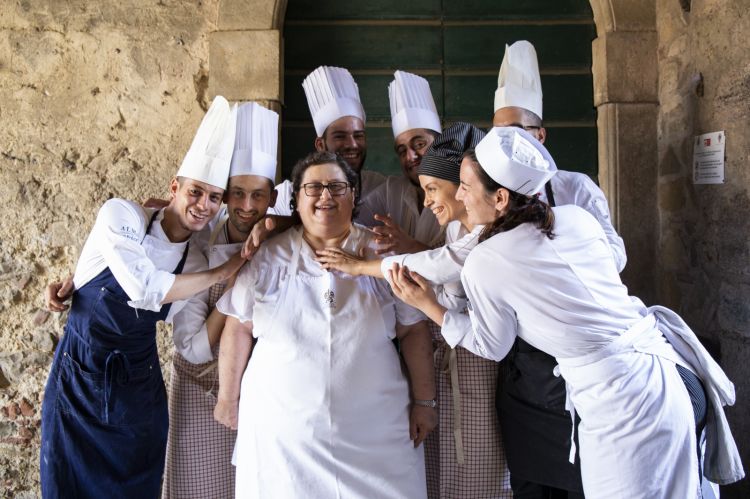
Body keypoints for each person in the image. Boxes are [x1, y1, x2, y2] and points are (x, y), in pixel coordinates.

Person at [390, 126, 745, 498]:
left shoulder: (487, 259)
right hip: (673, 374)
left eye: (465, 185)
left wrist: (426, 304)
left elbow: (491, 345)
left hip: (627, 402)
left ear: (500, 198)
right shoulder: (576, 217)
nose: (459, 194)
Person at [39, 97, 245, 498]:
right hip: (79, 382)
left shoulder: (196, 260)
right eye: (196, 192)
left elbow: (193, 346)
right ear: (175, 187)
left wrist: (233, 294)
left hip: (138, 396)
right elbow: (142, 287)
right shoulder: (121, 215)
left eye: (214, 198)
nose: (203, 205)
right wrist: (221, 273)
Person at [213, 151, 436, 499]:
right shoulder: (268, 258)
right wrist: (228, 397)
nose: (326, 196)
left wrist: (425, 402)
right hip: (283, 431)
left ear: (354, 196)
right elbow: (239, 327)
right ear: (296, 201)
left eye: (337, 186)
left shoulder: (382, 253)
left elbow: (413, 329)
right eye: (314, 187)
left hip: (374, 431)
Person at [316, 123, 513, 499]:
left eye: (432, 190)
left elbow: (437, 267)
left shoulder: (489, 237)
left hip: (486, 360)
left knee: (482, 471)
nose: (426, 201)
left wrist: (358, 268)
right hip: (453, 355)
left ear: (463, 185)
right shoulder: (458, 229)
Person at [489, 40, 626, 498]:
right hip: (524, 373)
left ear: (540, 135)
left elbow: (616, 258)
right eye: (497, 134)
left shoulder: (576, 189)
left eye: (516, 131)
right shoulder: (493, 199)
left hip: (581, 370)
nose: (504, 143)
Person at [161, 102, 279, 499]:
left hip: (265, 394)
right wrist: (233, 286)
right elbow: (193, 348)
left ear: (273, 196)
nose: (247, 206)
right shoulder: (198, 247)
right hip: (199, 391)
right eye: (238, 194)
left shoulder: (285, 242)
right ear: (225, 196)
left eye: (258, 195)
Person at [269, 66, 385, 222]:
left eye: (358, 135)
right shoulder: (285, 195)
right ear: (320, 145)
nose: (352, 144)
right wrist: (285, 223)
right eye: (340, 136)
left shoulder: (383, 190)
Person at [358, 70, 443, 254]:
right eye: (402, 150)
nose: (411, 157)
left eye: (419, 144)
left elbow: (461, 266)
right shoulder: (392, 190)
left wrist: (410, 247)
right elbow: (353, 221)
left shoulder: (463, 194)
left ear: (440, 143)